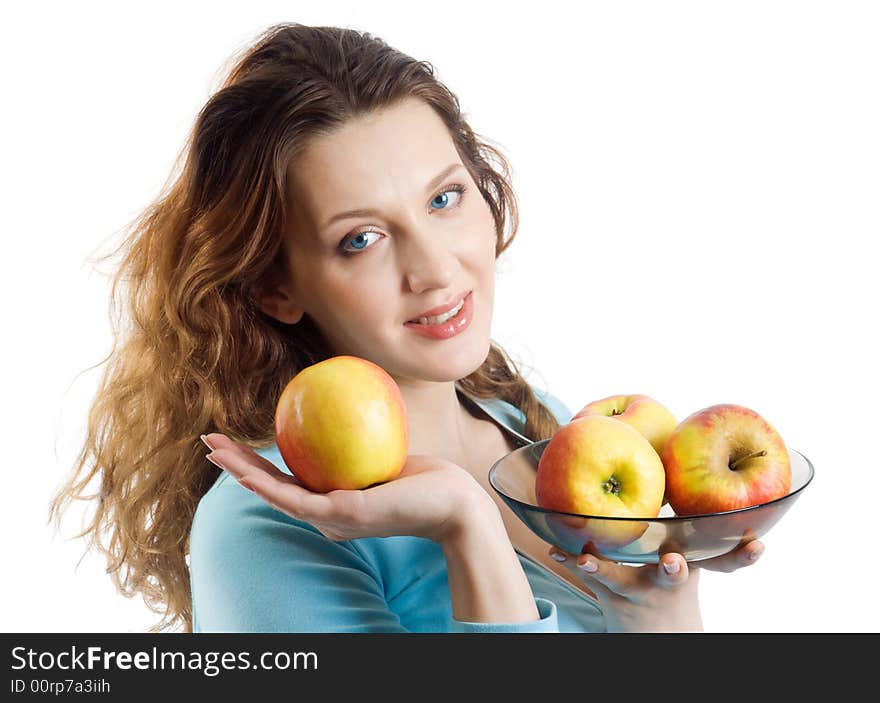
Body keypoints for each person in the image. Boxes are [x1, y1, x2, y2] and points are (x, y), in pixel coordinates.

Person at [50, 23, 763, 634]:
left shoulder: (533, 426)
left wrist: (660, 612)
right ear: (276, 288)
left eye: (445, 198)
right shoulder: (260, 528)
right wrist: (466, 527)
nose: (435, 267)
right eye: (361, 239)